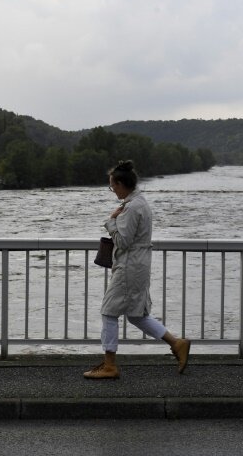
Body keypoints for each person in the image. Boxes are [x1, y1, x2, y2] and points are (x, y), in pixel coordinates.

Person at [84, 160, 191, 379]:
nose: (113, 190)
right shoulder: (138, 203)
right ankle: (177, 344)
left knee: (109, 312)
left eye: (112, 186)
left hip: (129, 266)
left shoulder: (132, 207)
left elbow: (123, 241)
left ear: (120, 184)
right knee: (136, 314)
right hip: (137, 265)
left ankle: (110, 366)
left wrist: (111, 222)